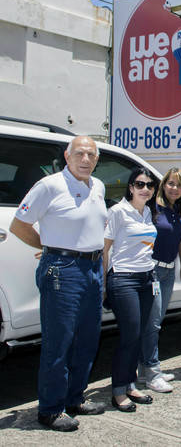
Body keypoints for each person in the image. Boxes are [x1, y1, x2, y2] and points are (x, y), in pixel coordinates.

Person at [10, 136, 107, 432]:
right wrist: (49, 246)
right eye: (79, 153)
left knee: (88, 339)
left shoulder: (98, 186)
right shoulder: (50, 185)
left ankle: (75, 398)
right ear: (67, 156)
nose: (86, 159)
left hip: (92, 268)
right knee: (59, 340)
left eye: (91, 154)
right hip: (63, 270)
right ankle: (50, 409)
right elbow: (18, 225)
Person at [103, 168, 159, 412]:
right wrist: (105, 284)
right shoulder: (118, 212)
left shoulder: (147, 212)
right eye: (139, 184)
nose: (144, 189)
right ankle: (118, 391)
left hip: (146, 279)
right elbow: (105, 250)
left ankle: (130, 384)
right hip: (123, 279)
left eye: (149, 185)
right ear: (130, 187)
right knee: (129, 335)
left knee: (140, 334)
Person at [138, 167, 181, 392]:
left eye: (179, 185)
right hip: (153, 271)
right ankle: (152, 373)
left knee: (154, 322)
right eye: (170, 183)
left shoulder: (176, 211)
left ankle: (144, 371)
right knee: (152, 324)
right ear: (163, 185)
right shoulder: (152, 208)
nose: (174, 188)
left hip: (169, 272)